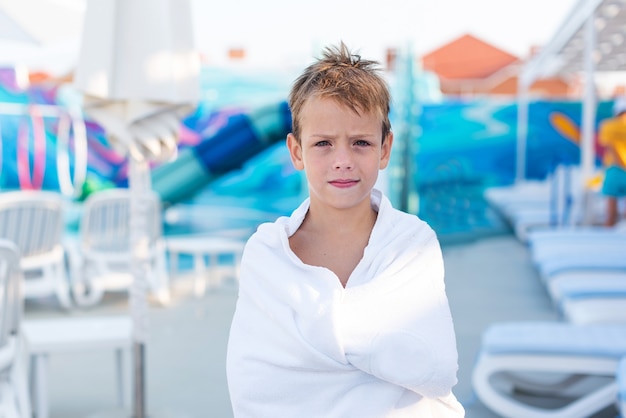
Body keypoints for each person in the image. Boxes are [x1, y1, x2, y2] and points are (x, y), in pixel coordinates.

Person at [226, 42, 464, 417]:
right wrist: (371, 348)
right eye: (323, 143)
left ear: (385, 149)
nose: (342, 161)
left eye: (360, 143)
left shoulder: (412, 243)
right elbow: (255, 385)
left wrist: (311, 337)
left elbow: (433, 365)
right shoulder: (267, 252)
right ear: (296, 152)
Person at [599, 96, 626, 226]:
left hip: (615, 169)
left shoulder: (608, 125)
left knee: (611, 212)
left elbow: (610, 148)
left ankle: (607, 238)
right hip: (618, 168)